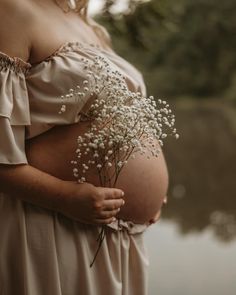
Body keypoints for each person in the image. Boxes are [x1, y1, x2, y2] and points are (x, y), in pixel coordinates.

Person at [0, 0, 166, 294]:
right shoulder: (11, 9)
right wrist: (63, 196)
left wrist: (149, 195)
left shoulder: (91, 26)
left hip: (116, 234)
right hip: (52, 220)